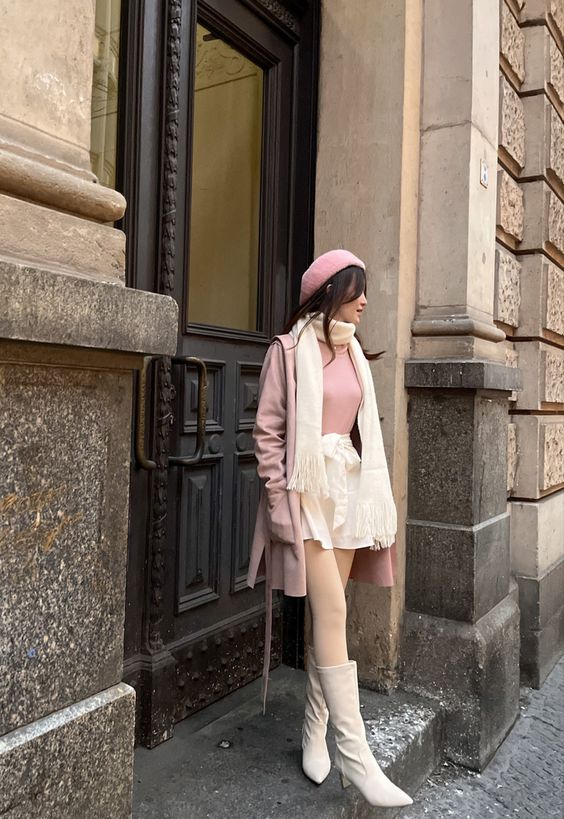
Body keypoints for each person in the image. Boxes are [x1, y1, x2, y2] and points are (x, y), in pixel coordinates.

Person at [246, 249, 413, 809]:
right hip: (305, 496)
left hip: (346, 492)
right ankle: (356, 755)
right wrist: (277, 505)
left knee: (330, 612)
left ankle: (315, 731)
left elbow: (357, 423)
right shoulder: (289, 351)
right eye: (356, 289)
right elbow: (267, 433)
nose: (365, 300)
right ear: (330, 291)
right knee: (335, 614)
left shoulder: (354, 352)